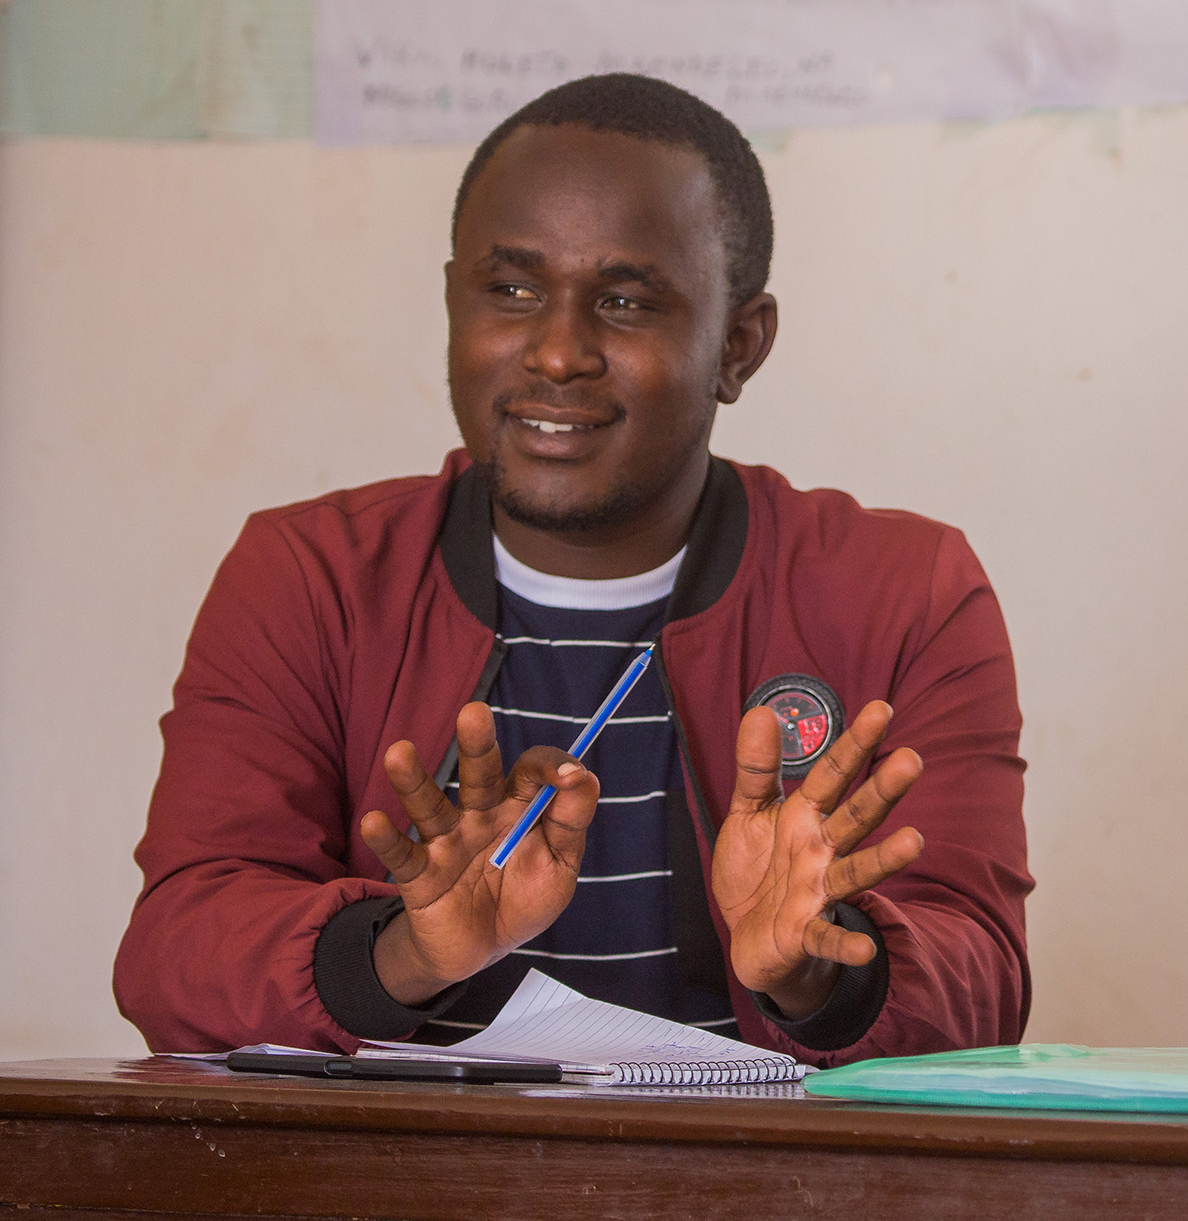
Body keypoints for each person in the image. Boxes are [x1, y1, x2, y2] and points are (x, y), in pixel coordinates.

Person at [114, 73, 1032, 1060]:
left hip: (761, 1198)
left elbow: (983, 979)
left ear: (738, 345)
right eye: (510, 291)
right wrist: (406, 951)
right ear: (452, 304)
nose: (555, 353)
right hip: (397, 1203)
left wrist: (817, 968)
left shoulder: (902, 592)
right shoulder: (307, 577)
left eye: (626, 301)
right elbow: (176, 953)